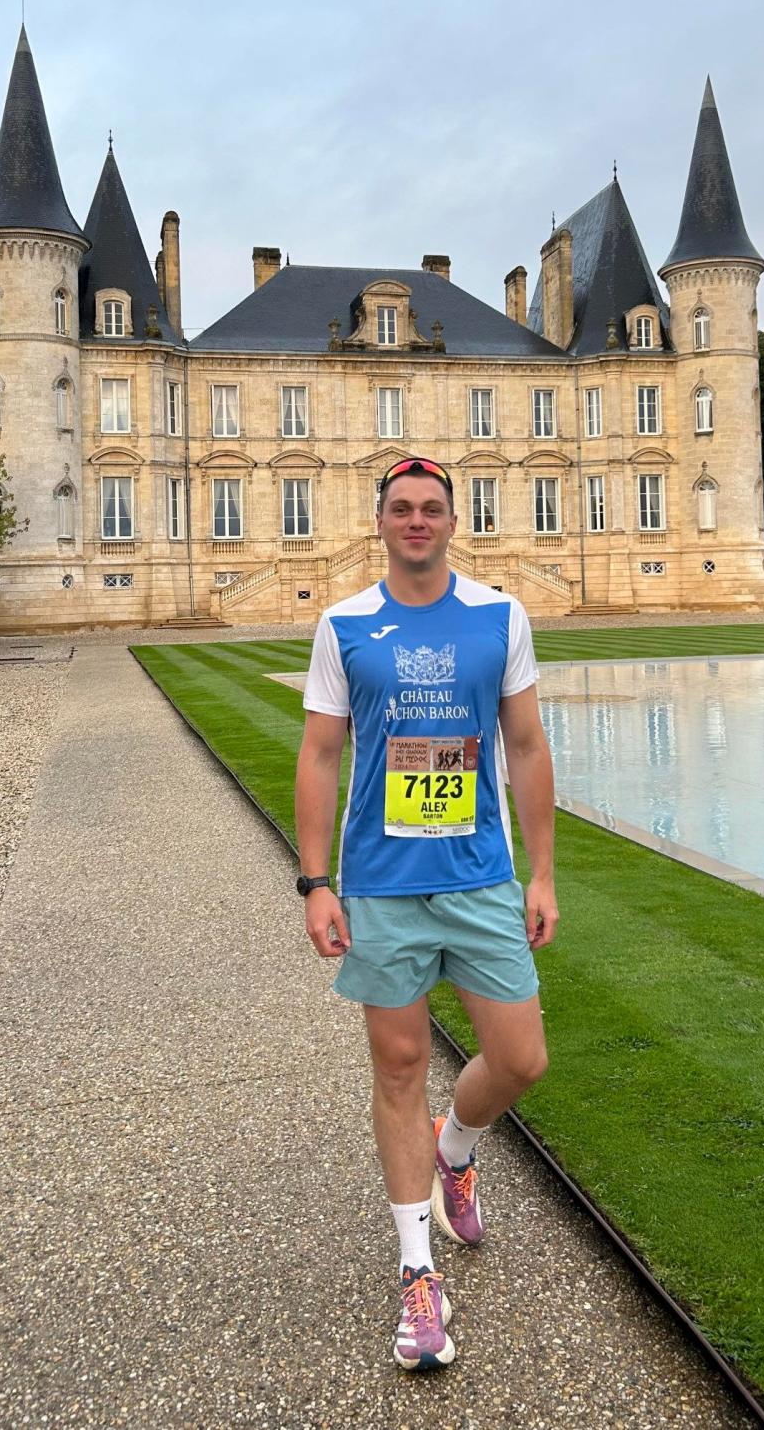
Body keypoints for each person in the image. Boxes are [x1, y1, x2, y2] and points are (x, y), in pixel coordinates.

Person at [294, 456, 558, 1370]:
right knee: (400, 1063)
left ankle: (457, 1149)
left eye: (431, 508)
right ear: (380, 522)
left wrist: (543, 873)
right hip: (381, 883)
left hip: (481, 877)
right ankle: (417, 1272)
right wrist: (314, 880)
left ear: (454, 520)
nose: (417, 520)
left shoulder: (498, 616)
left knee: (521, 1058)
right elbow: (322, 753)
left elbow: (524, 745)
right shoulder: (345, 624)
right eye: (401, 508)